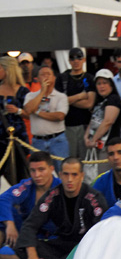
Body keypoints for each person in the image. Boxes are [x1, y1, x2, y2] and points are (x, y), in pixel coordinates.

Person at [14, 157, 107, 259]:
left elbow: (102, 231)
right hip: (61, 245)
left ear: (82, 175)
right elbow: (30, 225)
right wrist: (32, 255)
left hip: (85, 246)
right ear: (60, 175)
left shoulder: (94, 198)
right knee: (24, 247)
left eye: (74, 175)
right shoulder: (52, 196)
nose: (69, 179)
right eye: (66, 174)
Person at [0, 151, 60, 259]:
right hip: (24, 233)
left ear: (51, 169)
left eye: (41, 170)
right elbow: (4, 199)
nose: (37, 175)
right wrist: (10, 224)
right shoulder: (27, 185)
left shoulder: (62, 189)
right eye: (33, 170)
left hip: (50, 238)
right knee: (5, 215)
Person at [23, 65, 69, 175]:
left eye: (48, 74)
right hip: (38, 141)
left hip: (57, 140)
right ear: (37, 79)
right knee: (38, 174)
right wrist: (43, 91)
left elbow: (59, 116)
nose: (46, 77)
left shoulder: (61, 97)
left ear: (54, 78)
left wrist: (38, 112)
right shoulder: (30, 96)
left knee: (62, 172)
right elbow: (28, 109)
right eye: (42, 74)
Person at [55, 48, 96, 159]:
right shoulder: (62, 78)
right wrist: (80, 96)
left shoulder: (89, 78)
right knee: (69, 160)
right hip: (67, 126)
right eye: (72, 58)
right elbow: (57, 101)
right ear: (69, 61)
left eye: (79, 58)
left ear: (84, 60)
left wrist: (67, 100)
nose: (76, 61)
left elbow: (89, 103)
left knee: (85, 161)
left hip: (85, 125)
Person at [84, 69, 121, 173]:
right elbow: (93, 120)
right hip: (96, 145)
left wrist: (93, 139)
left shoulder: (113, 99)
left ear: (111, 84)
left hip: (108, 146)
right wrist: (86, 136)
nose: (101, 86)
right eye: (99, 83)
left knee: (104, 175)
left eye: (105, 83)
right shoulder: (100, 101)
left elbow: (108, 122)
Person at [0, 55, 30, 185]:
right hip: (0, 137)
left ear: (7, 70)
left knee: (20, 175)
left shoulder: (23, 91)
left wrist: (18, 110)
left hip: (18, 137)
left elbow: (30, 114)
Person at [92, 137, 121, 208]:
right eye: (111, 154)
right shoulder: (102, 182)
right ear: (108, 158)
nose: (116, 157)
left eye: (120, 152)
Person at [17, 52, 39, 143]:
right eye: (22, 63)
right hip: (23, 125)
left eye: (27, 63)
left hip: (39, 121)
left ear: (32, 65)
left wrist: (40, 101)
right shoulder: (16, 86)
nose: (25, 66)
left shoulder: (39, 82)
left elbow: (47, 98)